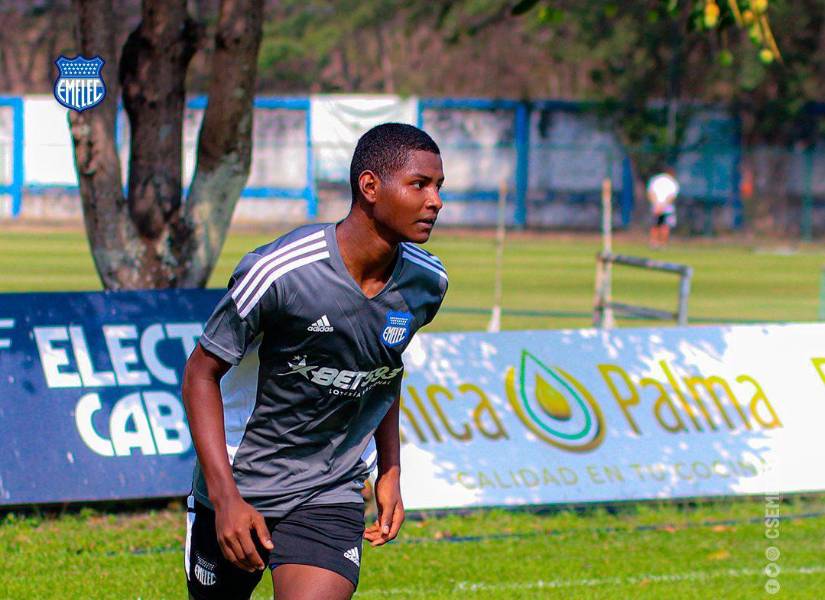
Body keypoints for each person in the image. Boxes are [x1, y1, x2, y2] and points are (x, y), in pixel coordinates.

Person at [181, 122, 447, 600]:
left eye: (438, 187)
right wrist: (225, 499)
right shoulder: (278, 271)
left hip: (330, 488)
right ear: (370, 186)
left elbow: (385, 371)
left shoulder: (427, 283)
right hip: (241, 485)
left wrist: (390, 470)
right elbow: (201, 373)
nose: (435, 201)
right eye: (419, 185)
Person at [647, 167, 679, 248]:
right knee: (665, 225)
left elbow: (650, 193)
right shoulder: (672, 182)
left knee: (655, 225)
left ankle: (654, 243)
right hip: (667, 208)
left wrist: (656, 205)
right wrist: (663, 205)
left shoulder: (655, 179)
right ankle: (663, 243)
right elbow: (672, 196)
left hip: (656, 206)